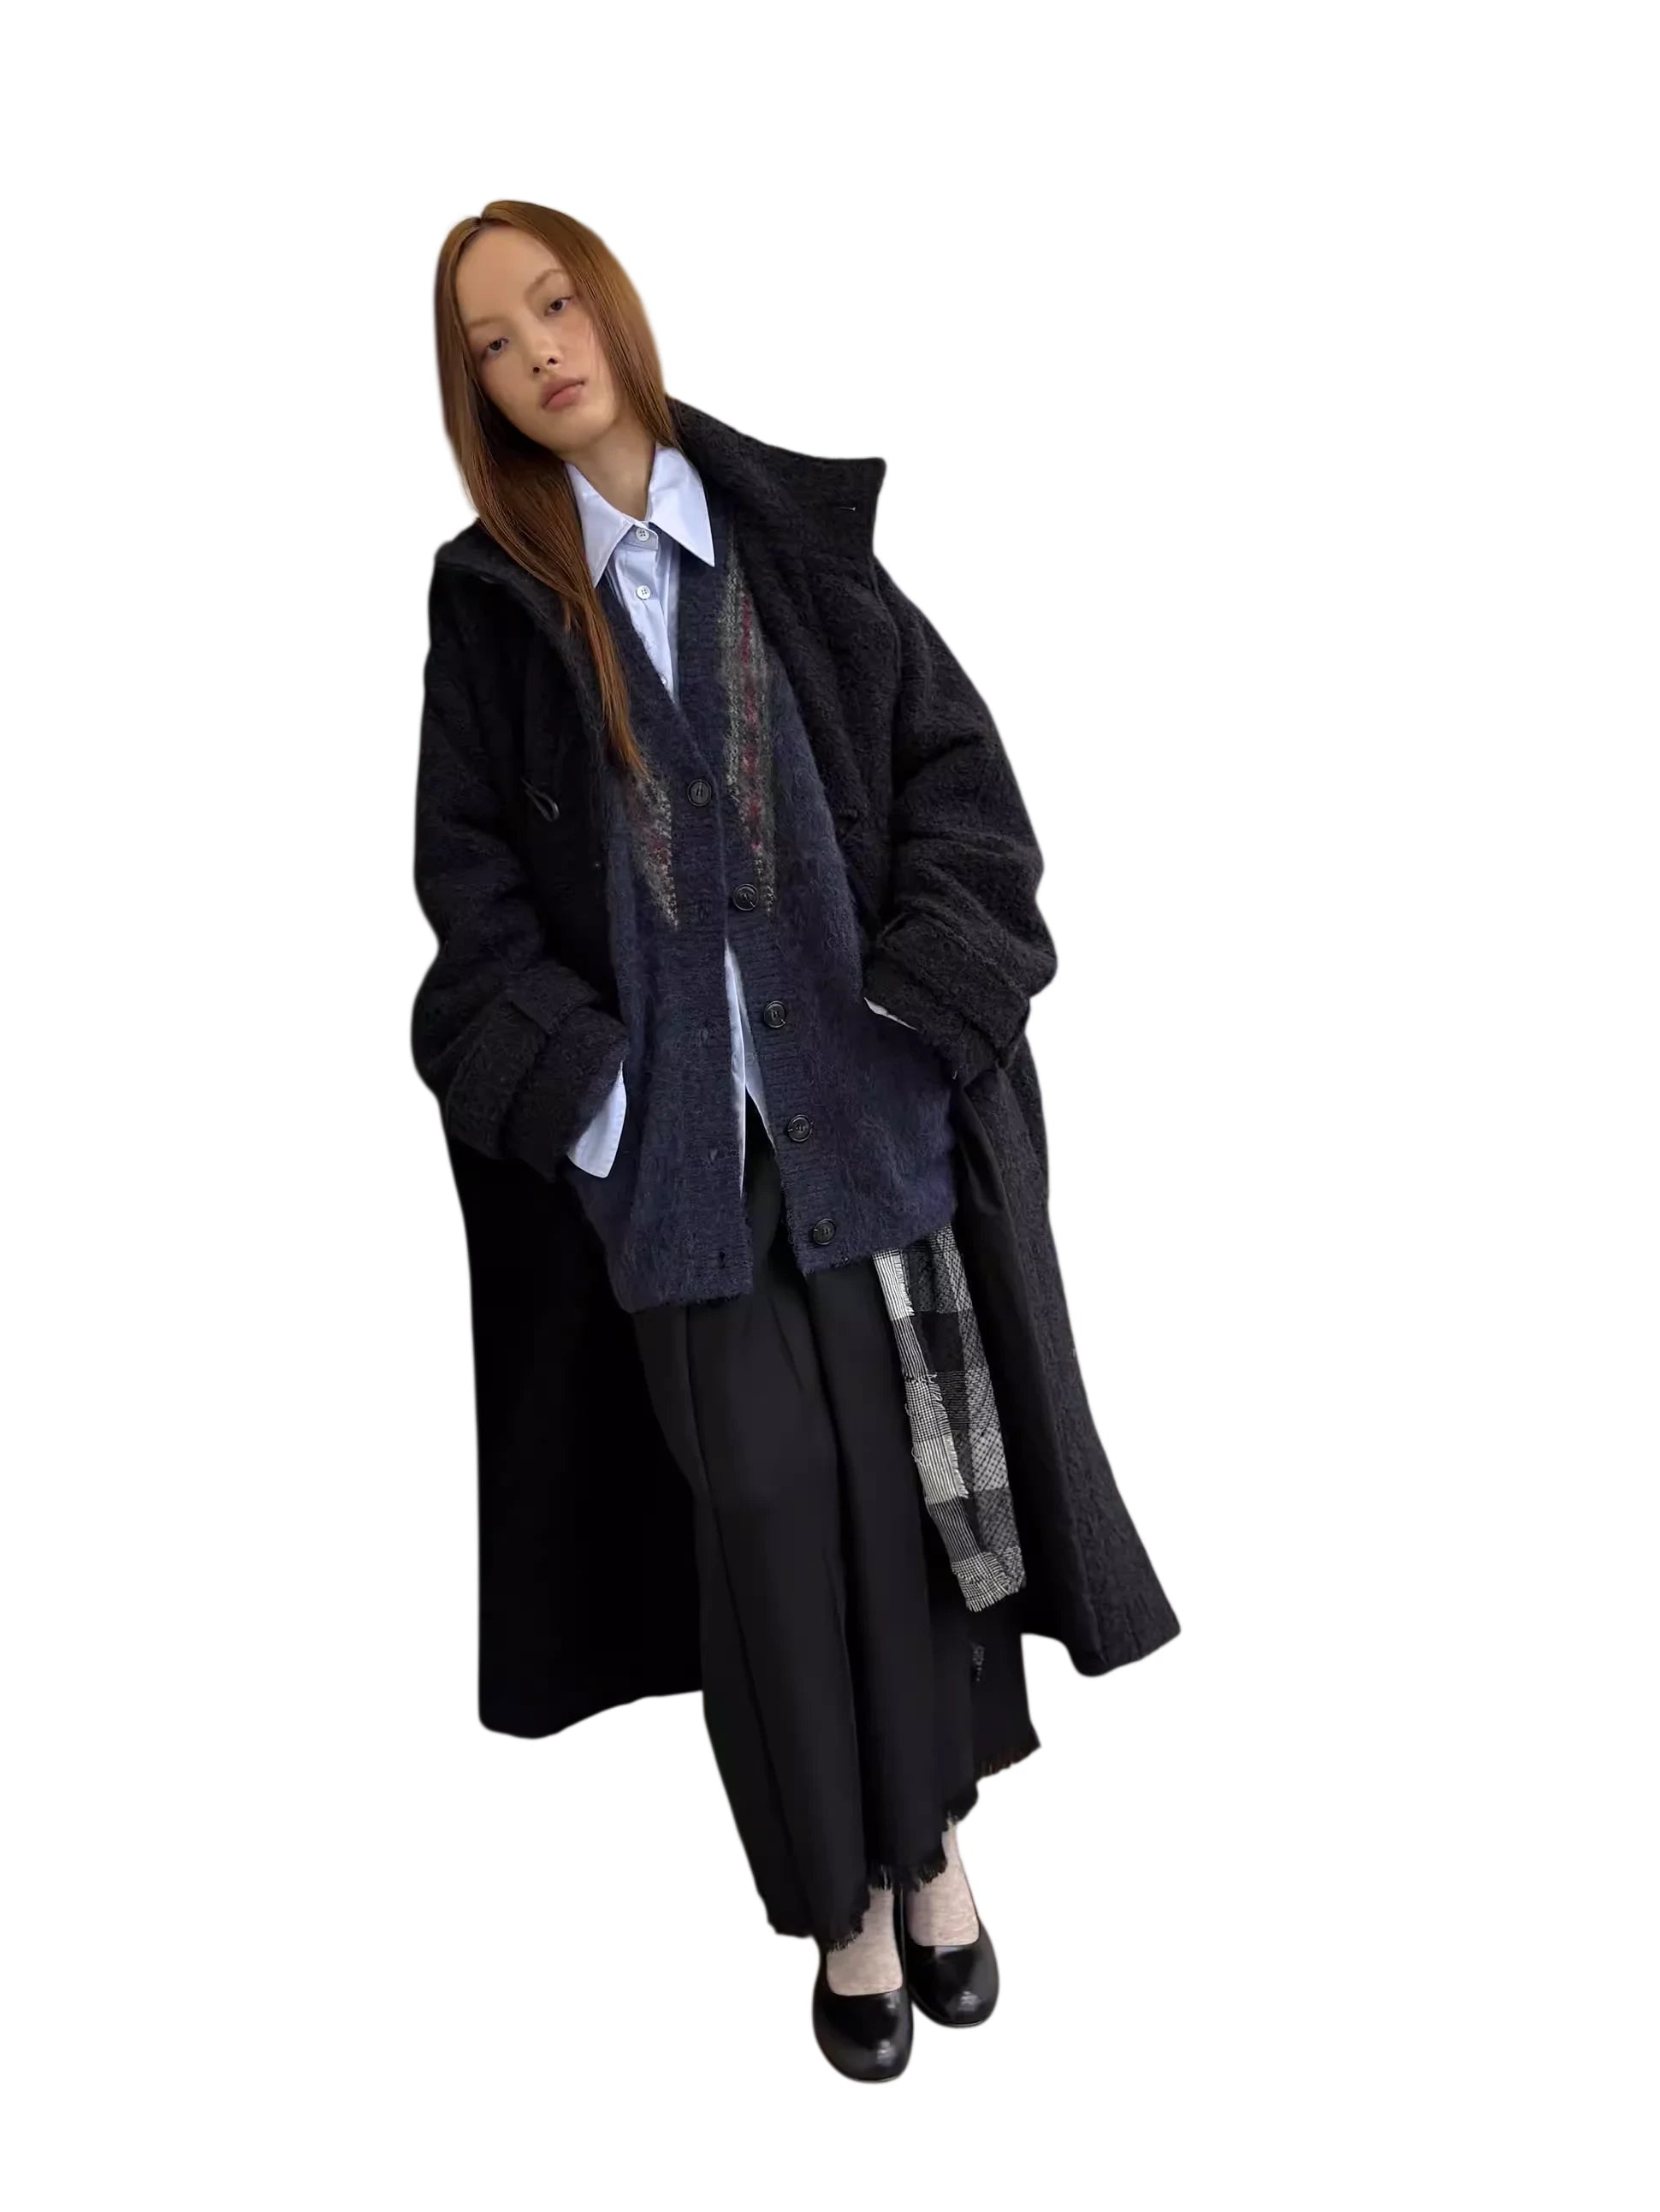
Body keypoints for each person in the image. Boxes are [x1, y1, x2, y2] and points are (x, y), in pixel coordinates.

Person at [412, 199, 1181, 2080]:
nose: (538, 352)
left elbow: (963, 783)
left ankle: (932, 1852)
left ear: (612, 303)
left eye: (554, 303)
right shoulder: (493, 600)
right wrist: (599, 1099)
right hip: (673, 1164)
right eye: (494, 342)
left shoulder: (789, 541)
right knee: (761, 1505)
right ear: (476, 390)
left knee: (906, 1497)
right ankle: (841, 1896)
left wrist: (920, 1013)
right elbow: (470, 889)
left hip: (866, 1119)